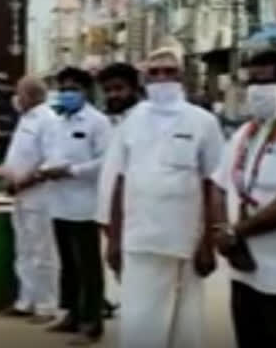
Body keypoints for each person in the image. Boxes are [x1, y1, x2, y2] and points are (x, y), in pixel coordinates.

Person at [103, 47, 224, 348]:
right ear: (144, 79)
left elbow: (214, 184)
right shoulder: (131, 122)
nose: (162, 79)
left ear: (181, 76)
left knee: (186, 325)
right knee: (139, 322)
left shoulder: (203, 122)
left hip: (185, 240)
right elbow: (119, 181)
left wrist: (209, 241)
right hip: (139, 239)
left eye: (169, 72)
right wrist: (114, 240)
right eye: (154, 73)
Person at [211, 50, 276, 348]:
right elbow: (219, 185)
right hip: (244, 269)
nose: (255, 90)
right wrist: (222, 227)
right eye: (251, 81)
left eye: (264, 81)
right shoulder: (246, 133)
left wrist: (237, 232)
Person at [44, 67, 111, 344]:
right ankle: (72, 314)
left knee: (88, 266)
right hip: (59, 204)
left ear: (86, 91)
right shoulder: (58, 121)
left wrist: (71, 171)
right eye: (63, 89)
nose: (67, 94)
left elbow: (105, 162)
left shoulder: (98, 122)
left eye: (73, 89)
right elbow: (51, 154)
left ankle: (91, 321)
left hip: (85, 206)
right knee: (68, 265)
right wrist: (46, 169)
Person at [2, 75, 59, 324]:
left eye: (20, 93)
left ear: (31, 95)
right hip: (20, 197)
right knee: (24, 250)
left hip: (39, 197)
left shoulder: (48, 121)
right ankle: (25, 302)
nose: (16, 98)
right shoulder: (26, 118)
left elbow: (50, 162)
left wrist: (23, 182)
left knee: (42, 252)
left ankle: (46, 306)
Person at [95, 62, 143, 320]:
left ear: (134, 89)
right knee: (123, 274)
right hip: (109, 215)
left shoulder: (143, 121)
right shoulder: (111, 121)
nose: (113, 95)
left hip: (134, 217)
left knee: (139, 283)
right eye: (108, 90)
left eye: (119, 89)